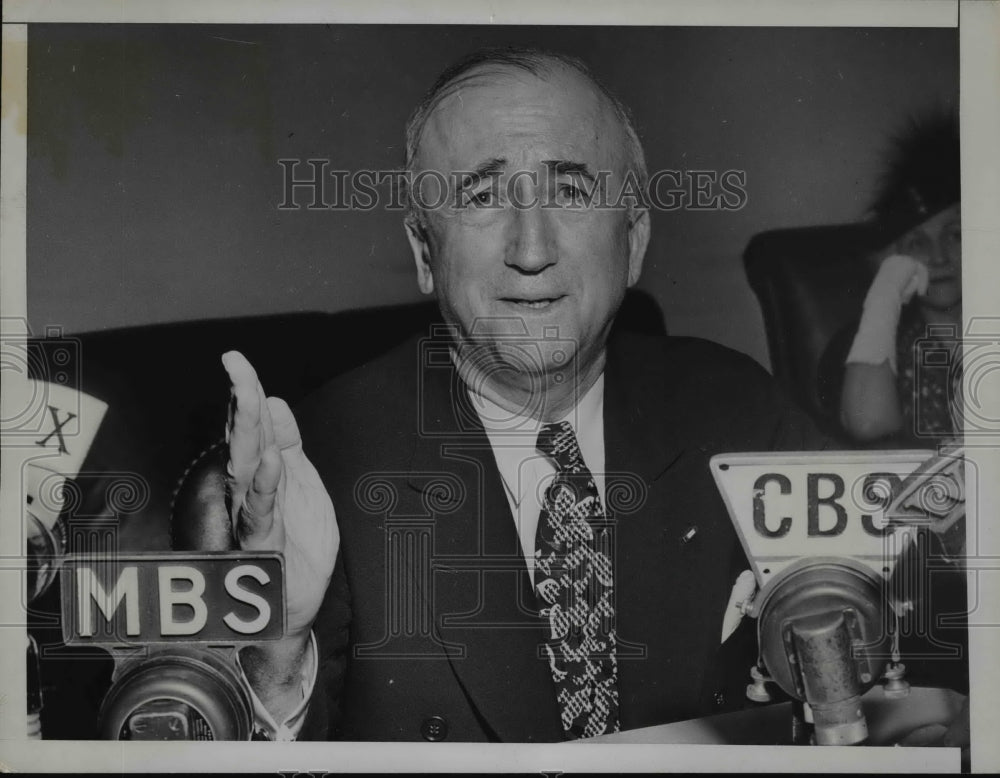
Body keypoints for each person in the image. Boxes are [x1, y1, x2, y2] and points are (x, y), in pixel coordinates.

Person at [216, 47, 830, 742]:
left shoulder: (737, 405)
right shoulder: (323, 460)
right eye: (482, 197)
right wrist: (275, 653)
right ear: (424, 253)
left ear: (633, 239)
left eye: (570, 192)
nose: (531, 249)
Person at [828, 111, 962, 446]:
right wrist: (883, 299)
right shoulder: (867, 346)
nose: (939, 257)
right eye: (917, 243)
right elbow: (869, 424)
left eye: (955, 235)